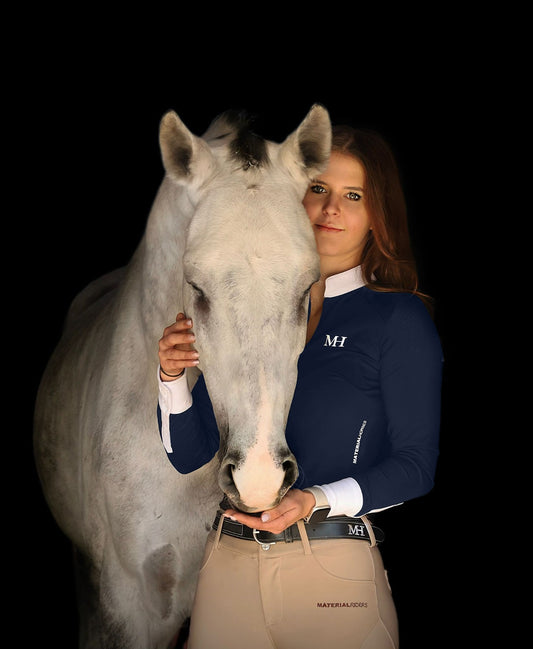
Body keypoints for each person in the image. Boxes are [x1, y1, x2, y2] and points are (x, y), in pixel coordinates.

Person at [157, 125, 443, 649]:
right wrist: (171, 378)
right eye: (318, 190)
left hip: (331, 573)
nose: (330, 208)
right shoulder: (245, 308)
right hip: (226, 571)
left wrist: (314, 500)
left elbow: (416, 466)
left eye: (353, 196)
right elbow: (189, 455)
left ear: (378, 216)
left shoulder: (395, 319)